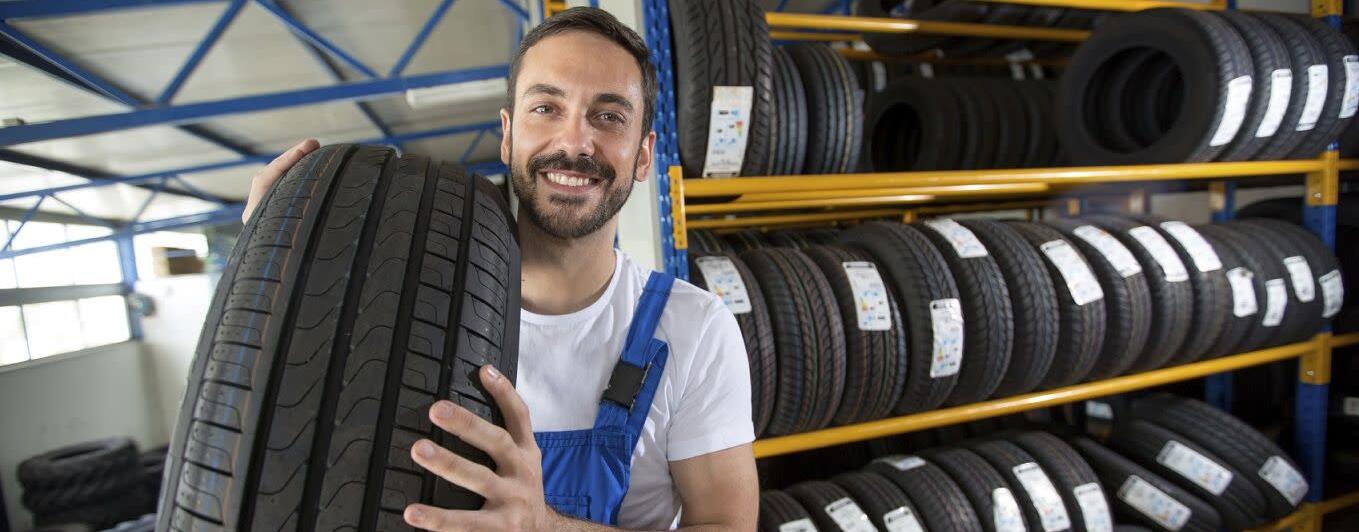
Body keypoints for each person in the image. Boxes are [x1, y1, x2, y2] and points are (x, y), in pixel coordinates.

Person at [240, 7, 757, 532]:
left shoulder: (695, 330)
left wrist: (544, 526)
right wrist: (268, 259)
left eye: (609, 117)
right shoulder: (411, 313)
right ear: (507, 135)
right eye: (546, 108)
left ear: (644, 155)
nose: (575, 143)